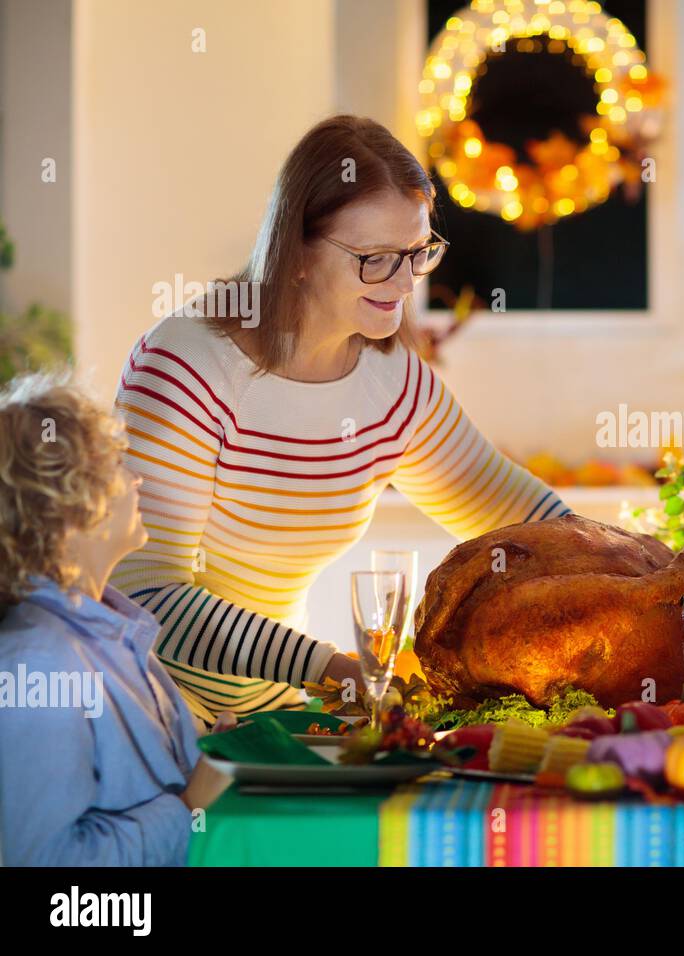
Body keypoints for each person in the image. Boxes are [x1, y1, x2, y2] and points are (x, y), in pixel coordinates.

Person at [110, 115, 570, 727]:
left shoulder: (390, 378)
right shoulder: (188, 367)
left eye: (418, 252)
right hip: (153, 717)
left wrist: (642, 568)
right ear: (296, 252)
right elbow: (146, 597)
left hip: (271, 714)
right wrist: (332, 670)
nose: (405, 282)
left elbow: (512, 511)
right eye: (376, 259)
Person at [0, 374, 232, 865]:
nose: (136, 480)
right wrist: (190, 806)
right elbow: (43, 861)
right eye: (117, 464)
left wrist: (209, 753)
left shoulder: (111, 629)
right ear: (70, 502)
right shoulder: (38, 662)